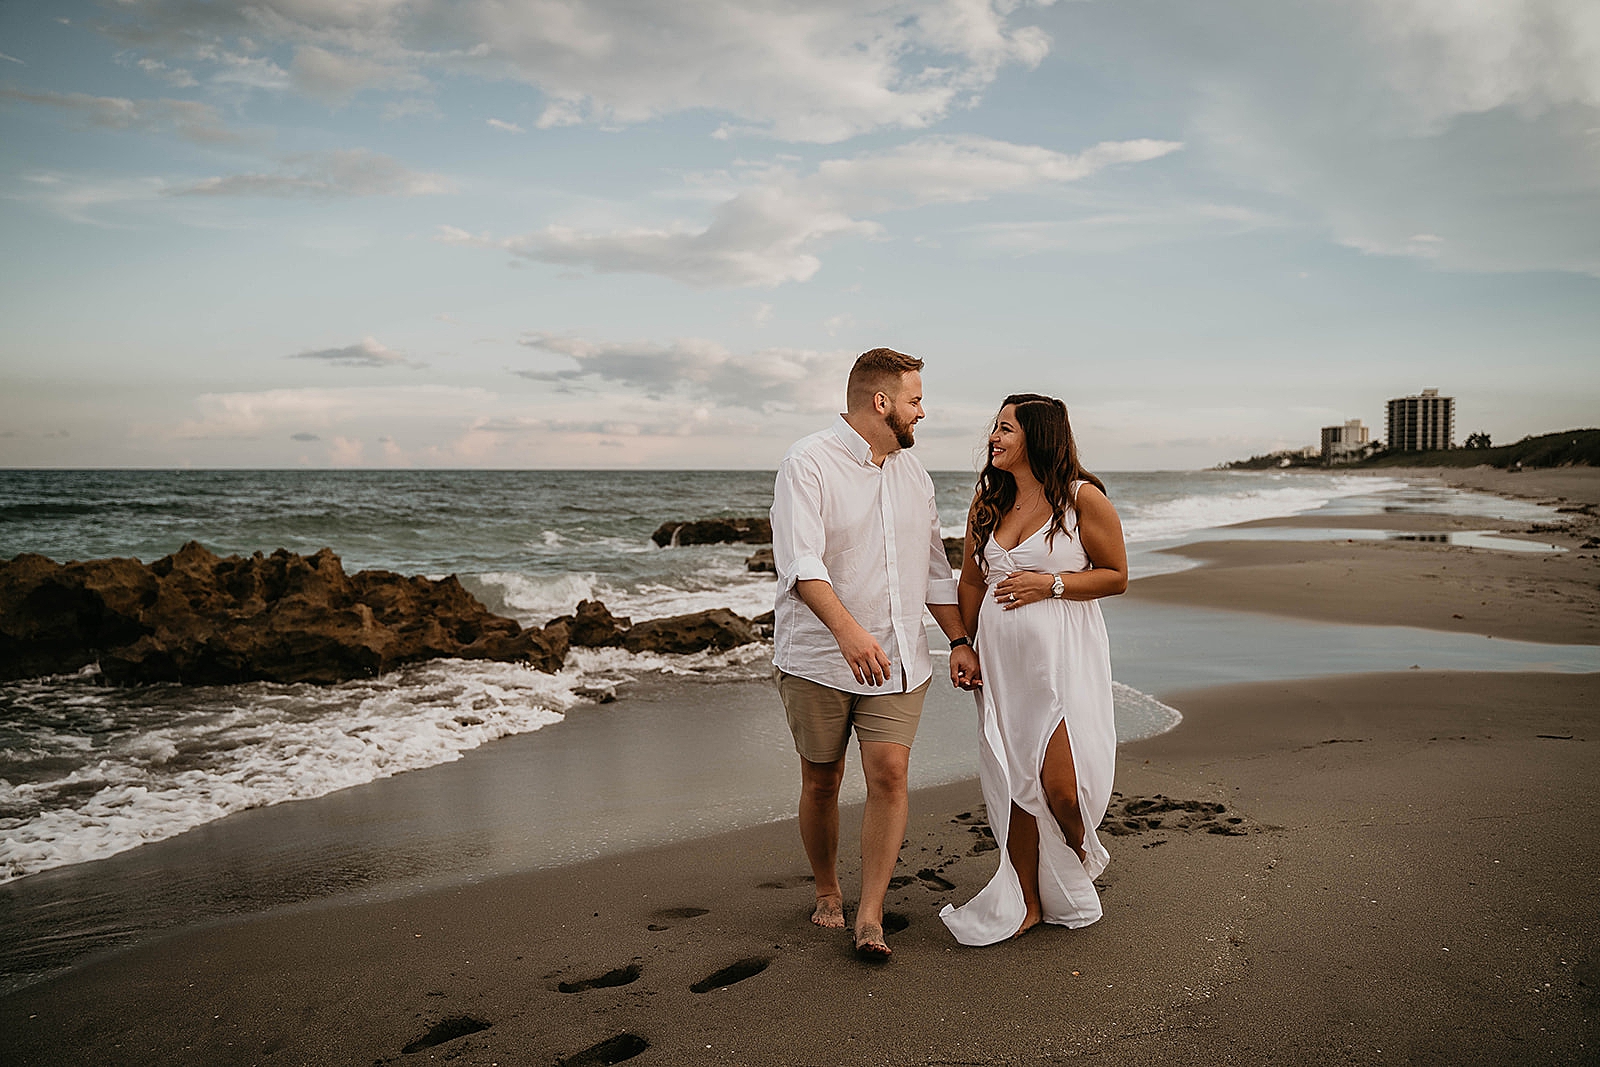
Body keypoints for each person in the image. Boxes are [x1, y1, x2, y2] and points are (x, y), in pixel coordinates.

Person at [770, 347, 982, 960]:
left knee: (889, 774)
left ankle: (870, 912)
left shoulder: (915, 475)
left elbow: (935, 571)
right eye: (915, 400)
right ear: (880, 401)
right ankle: (828, 889)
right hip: (817, 657)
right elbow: (801, 565)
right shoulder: (807, 462)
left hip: (901, 656)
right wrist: (848, 632)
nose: (923, 411)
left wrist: (960, 640)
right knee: (822, 779)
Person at [939, 393, 1128, 945]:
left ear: (1038, 436)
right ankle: (1025, 901)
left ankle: (1078, 857)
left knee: (1064, 791)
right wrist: (962, 645)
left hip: (1063, 664)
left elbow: (1115, 575)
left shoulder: (1082, 500)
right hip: (1002, 664)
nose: (993, 439)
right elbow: (972, 581)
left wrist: (1052, 584)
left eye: (1004, 429)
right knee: (1017, 781)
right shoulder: (987, 504)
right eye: (994, 429)